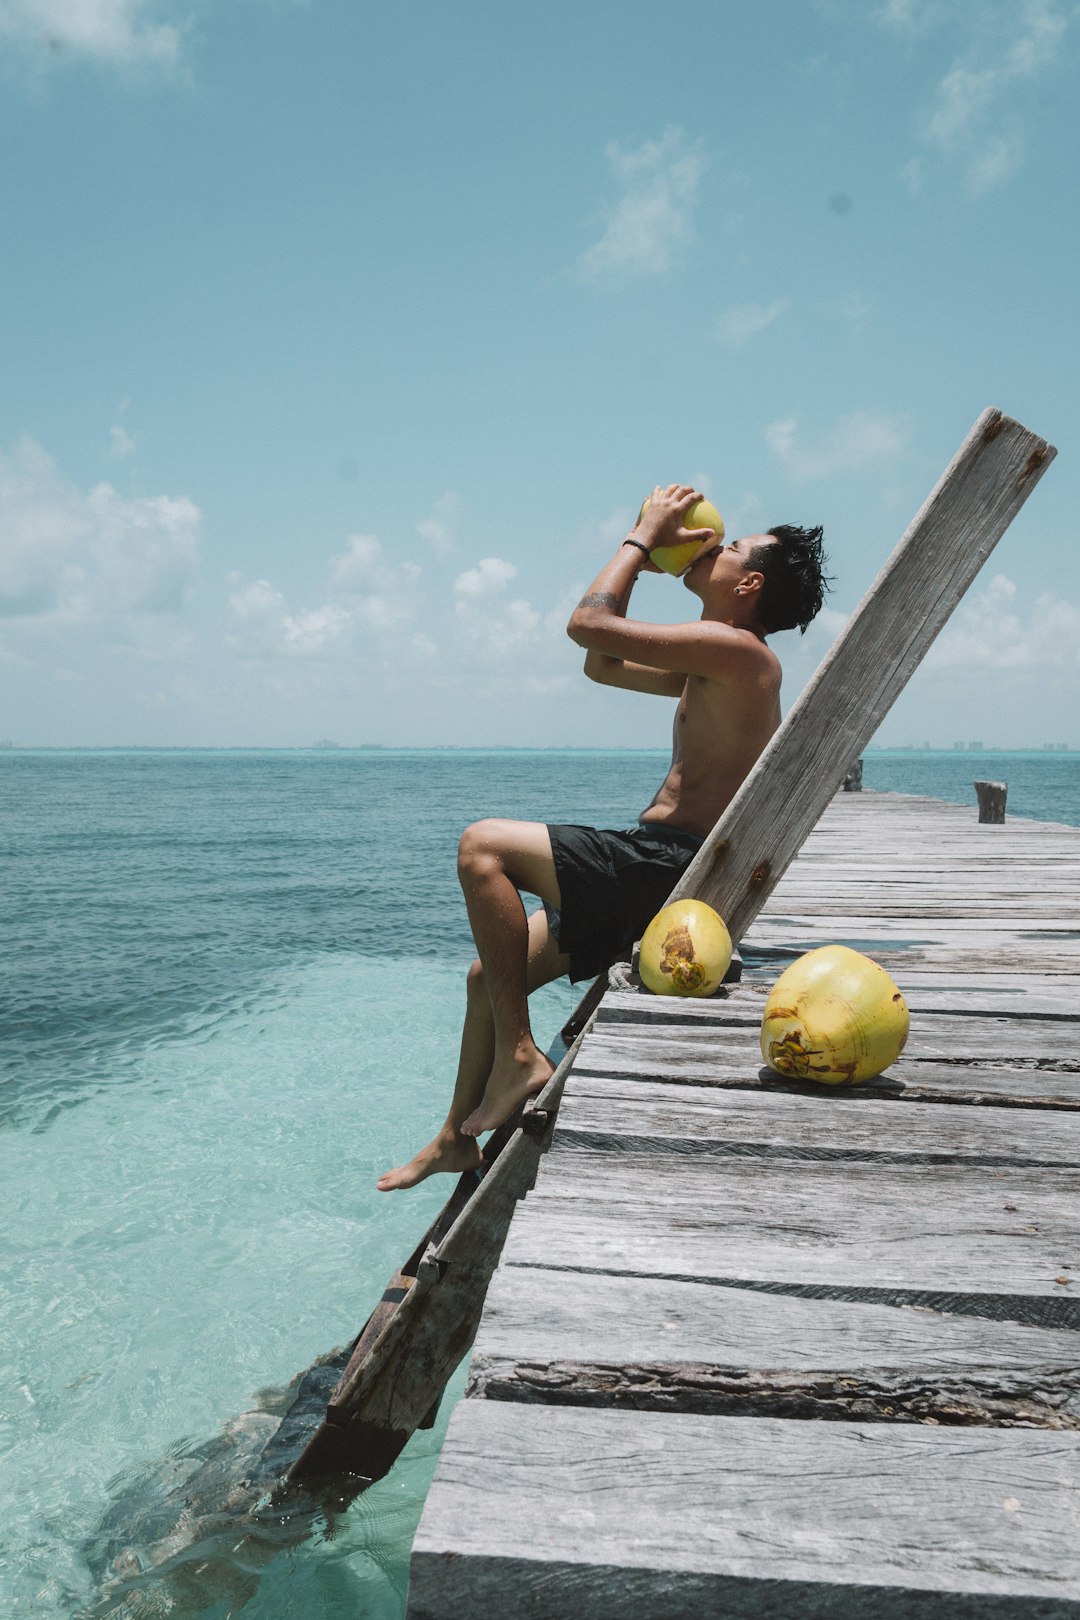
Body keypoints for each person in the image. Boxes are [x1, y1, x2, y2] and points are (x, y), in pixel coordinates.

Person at [377, 485, 828, 1192]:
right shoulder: (715, 655)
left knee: (481, 848)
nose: (714, 543)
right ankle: (453, 1140)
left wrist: (643, 539)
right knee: (485, 979)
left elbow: (586, 625)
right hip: (654, 863)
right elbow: (602, 662)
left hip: (666, 870)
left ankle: (521, 1054)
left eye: (731, 545)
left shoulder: (739, 651)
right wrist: (644, 560)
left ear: (748, 583)